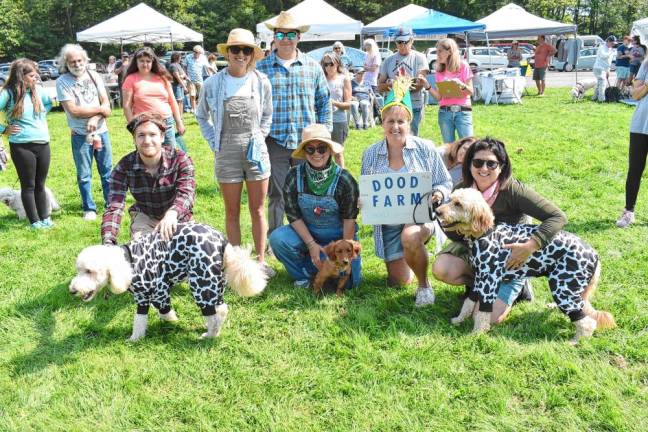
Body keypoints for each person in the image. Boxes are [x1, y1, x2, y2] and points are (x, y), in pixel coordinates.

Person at [432, 137, 567, 323]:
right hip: (476, 249)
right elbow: (453, 236)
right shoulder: (461, 189)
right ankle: (480, 286)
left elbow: (558, 217)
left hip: (512, 258)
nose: (484, 168)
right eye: (478, 162)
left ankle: (518, 284)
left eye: (491, 164)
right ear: (469, 163)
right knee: (442, 268)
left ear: (502, 166)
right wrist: (450, 223)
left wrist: (530, 246)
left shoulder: (514, 190)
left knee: (491, 318)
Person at [361, 77, 452, 306]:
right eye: (390, 121)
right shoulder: (370, 154)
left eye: (401, 121)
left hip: (418, 218)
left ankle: (424, 287)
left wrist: (438, 195)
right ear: (382, 123)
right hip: (388, 223)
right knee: (399, 281)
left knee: (410, 236)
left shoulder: (425, 148)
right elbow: (366, 191)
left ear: (409, 123)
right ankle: (411, 257)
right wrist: (363, 201)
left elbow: (445, 181)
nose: (395, 127)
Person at [196, 28, 274, 276]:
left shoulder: (261, 81)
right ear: (227, 53)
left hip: (255, 150)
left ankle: (260, 261)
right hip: (226, 150)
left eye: (246, 50)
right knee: (232, 211)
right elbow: (201, 115)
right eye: (235, 50)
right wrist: (214, 142)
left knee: (258, 208)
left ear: (252, 54)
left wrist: (259, 137)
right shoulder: (212, 83)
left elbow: (268, 114)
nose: (241, 54)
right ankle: (238, 263)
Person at [257, 11, 332, 237]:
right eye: (281, 34)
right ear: (274, 37)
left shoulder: (312, 67)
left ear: (299, 37)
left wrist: (325, 133)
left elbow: (324, 102)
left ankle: (310, 234)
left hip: (307, 143)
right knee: (277, 193)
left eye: (291, 34)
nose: (286, 38)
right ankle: (276, 236)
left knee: (309, 191)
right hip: (274, 141)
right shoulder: (261, 68)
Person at [269, 124, 360, 289]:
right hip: (306, 234)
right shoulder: (293, 176)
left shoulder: (345, 180)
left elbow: (350, 219)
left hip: (340, 240)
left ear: (330, 150)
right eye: (310, 149)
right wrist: (311, 245)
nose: (316, 154)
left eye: (322, 148)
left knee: (350, 285)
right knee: (277, 238)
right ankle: (303, 275)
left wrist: (343, 253)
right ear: (304, 152)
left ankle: (324, 270)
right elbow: (293, 215)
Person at [101, 112, 195, 245]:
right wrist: (108, 242)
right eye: (141, 135)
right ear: (134, 139)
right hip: (145, 216)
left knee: (185, 250)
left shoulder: (180, 159)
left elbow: (186, 194)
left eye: (152, 135)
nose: (147, 141)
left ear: (162, 137)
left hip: (177, 215)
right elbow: (114, 207)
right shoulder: (123, 167)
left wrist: (172, 213)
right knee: (143, 249)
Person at [55, 44, 113, 221]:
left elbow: (108, 106)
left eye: (80, 60)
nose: (77, 64)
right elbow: (74, 111)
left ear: (85, 60)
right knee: (84, 174)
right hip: (80, 135)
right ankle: (89, 208)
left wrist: (95, 119)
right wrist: (100, 111)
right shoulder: (62, 81)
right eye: (73, 62)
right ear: (66, 63)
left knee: (107, 171)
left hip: (102, 132)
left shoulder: (94, 76)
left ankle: (110, 205)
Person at [0, 59, 54, 229]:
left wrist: (40, 117)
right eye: (31, 75)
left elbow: (48, 103)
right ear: (21, 77)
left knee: (40, 184)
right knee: (28, 185)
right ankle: (35, 222)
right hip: (21, 145)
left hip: (43, 143)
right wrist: (3, 129)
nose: (36, 77)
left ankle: (45, 218)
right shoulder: (8, 93)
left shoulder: (38, 90)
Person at [122, 47, 185, 148]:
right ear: (136, 62)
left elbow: (172, 101)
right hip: (143, 125)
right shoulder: (130, 79)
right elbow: (126, 106)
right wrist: (133, 127)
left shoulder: (162, 77)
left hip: (166, 123)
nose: (145, 64)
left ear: (153, 62)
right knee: (146, 157)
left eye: (148, 61)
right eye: (141, 61)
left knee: (169, 156)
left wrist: (179, 122)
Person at [378, 27, 429, 136]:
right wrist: (390, 85)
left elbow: (420, 84)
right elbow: (380, 87)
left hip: (413, 106)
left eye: (406, 42)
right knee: (393, 139)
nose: (402, 45)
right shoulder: (388, 60)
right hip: (393, 107)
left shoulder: (419, 58)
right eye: (399, 42)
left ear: (412, 40)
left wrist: (400, 86)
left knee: (412, 139)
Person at [422, 38, 474, 144]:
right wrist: (427, 86)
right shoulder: (439, 71)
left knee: (468, 146)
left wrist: (461, 84)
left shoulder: (463, 66)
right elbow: (438, 97)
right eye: (437, 52)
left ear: (449, 51)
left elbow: (471, 91)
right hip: (445, 113)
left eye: (440, 51)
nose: (437, 55)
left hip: (463, 112)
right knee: (449, 149)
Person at [616, 57, 648, 228]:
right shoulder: (645, 64)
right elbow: (635, 94)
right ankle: (629, 212)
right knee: (634, 170)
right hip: (640, 126)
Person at [321, 52, 351, 167]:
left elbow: (348, 104)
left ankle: (341, 178)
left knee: (338, 153)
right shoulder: (321, 78)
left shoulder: (344, 79)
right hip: (322, 120)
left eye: (331, 64)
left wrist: (333, 103)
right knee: (322, 152)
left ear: (337, 63)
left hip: (338, 120)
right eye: (326, 64)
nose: (328, 67)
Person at [184, 45, 209, 112]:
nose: (197, 54)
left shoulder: (203, 57)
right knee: (192, 95)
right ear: (194, 52)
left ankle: (200, 108)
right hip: (190, 80)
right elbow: (185, 67)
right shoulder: (188, 57)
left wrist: (215, 73)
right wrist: (186, 76)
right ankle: (194, 109)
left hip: (200, 79)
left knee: (201, 95)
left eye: (199, 53)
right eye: (196, 52)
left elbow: (208, 67)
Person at [593, 36, 616, 102]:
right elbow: (603, 56)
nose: (613, 45)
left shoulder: (610, 49)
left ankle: (594, 97)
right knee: (603, 83)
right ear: (608, 41)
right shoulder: (602, 47)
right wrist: (611, 52)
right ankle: (601, 99)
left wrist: (608, 70)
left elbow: (609, 61)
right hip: (598, 68)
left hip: (604, 68)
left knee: (599, 84)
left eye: (614, 44)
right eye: (612, 43)